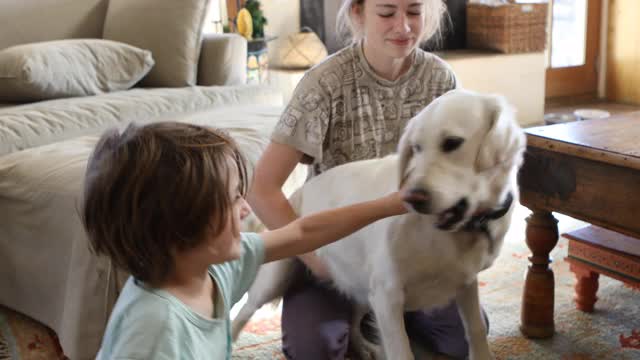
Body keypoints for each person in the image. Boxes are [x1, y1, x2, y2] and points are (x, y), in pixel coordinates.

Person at [248, 0, 487, 359]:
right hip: (339, 252)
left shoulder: (442, 81)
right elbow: (261, 189)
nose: (404, 27)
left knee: (463, 340)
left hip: (415, 256)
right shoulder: (323, 84)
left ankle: (384, 318)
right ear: (358, 13)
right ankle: (368, 318)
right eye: (387, 13)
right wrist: (315, 259)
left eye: (414, 12)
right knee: (313, 350)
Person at [82, 122, 407, 360]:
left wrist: (388, 204)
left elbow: (302, 233)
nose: (246, 208)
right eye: (233, 198)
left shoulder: (211, 268)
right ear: (182, 221)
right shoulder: (153, 329)